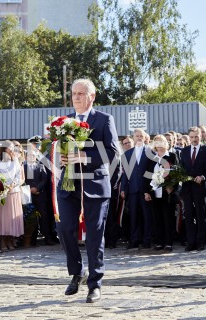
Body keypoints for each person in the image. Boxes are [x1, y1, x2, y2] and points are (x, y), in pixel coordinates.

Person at [58, 78, 119, 303]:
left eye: (81, 93)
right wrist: (62, 156)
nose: (76, 97)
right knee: (64, 228)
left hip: (95, 186)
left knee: (94, 236)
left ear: (92, 96)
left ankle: (95, 284)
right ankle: (77, 271)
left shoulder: (104, 120)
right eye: (74, 93)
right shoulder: (64, 122)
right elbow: (57, 148)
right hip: (68, 185)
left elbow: (113, 152)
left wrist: (85, 156)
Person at [143, 135, 179, 252]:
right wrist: (146, 192)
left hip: (167, 193)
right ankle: (159, 242)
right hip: (155, 192)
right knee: (157, 218)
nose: (159, 144)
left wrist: (172, 186)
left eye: (161, 141)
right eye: (156, 142)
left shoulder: (172, 156)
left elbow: (177, 173)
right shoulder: (151, 158)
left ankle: (168, 243)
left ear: (165, 143)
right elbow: (147, 176)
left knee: (168, 218)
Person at [121, 128, 153, 250]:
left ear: (144, 138)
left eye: (141, 136)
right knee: (133, 216)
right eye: (137, 136)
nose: (139, 138)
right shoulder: (127, 154)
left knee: (146, 216)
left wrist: (149, 190)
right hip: (132, 189)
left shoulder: (150, 152)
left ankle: (147, 240)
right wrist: (123, 188)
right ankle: (134, 240)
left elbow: (152, 172)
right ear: (133, 138)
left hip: (146, 190)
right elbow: (125, 174)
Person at [179, 127, 206, 251]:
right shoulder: (184, 151)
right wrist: (182, 177)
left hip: (200, 187)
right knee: (189, 215)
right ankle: (191, 242)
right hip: (187, 188)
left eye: (196, 136)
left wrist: (203, 176)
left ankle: (200, 241)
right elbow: (181, 168)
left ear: (200, 136)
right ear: (189, 137)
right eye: (192, 137)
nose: (194, 139)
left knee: (200, 215)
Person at [0, 141, 24, 252]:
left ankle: (11, 239)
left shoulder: (15, 160)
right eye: (10, 148)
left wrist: (13, 184)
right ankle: (3, 240)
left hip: (14, 191)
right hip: (2, 193)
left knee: (12, 218)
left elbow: (18, 175)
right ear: (4, 149)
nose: (12, 150)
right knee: (3, 218)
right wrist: (4, 184)